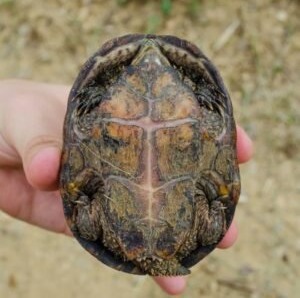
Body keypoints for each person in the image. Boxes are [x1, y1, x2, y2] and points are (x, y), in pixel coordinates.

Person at [0, 79, 253, 295]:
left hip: (125, 95)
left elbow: (84, 214)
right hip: (176, 93)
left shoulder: (104, 228)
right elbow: (217, 200)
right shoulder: (195, 231)